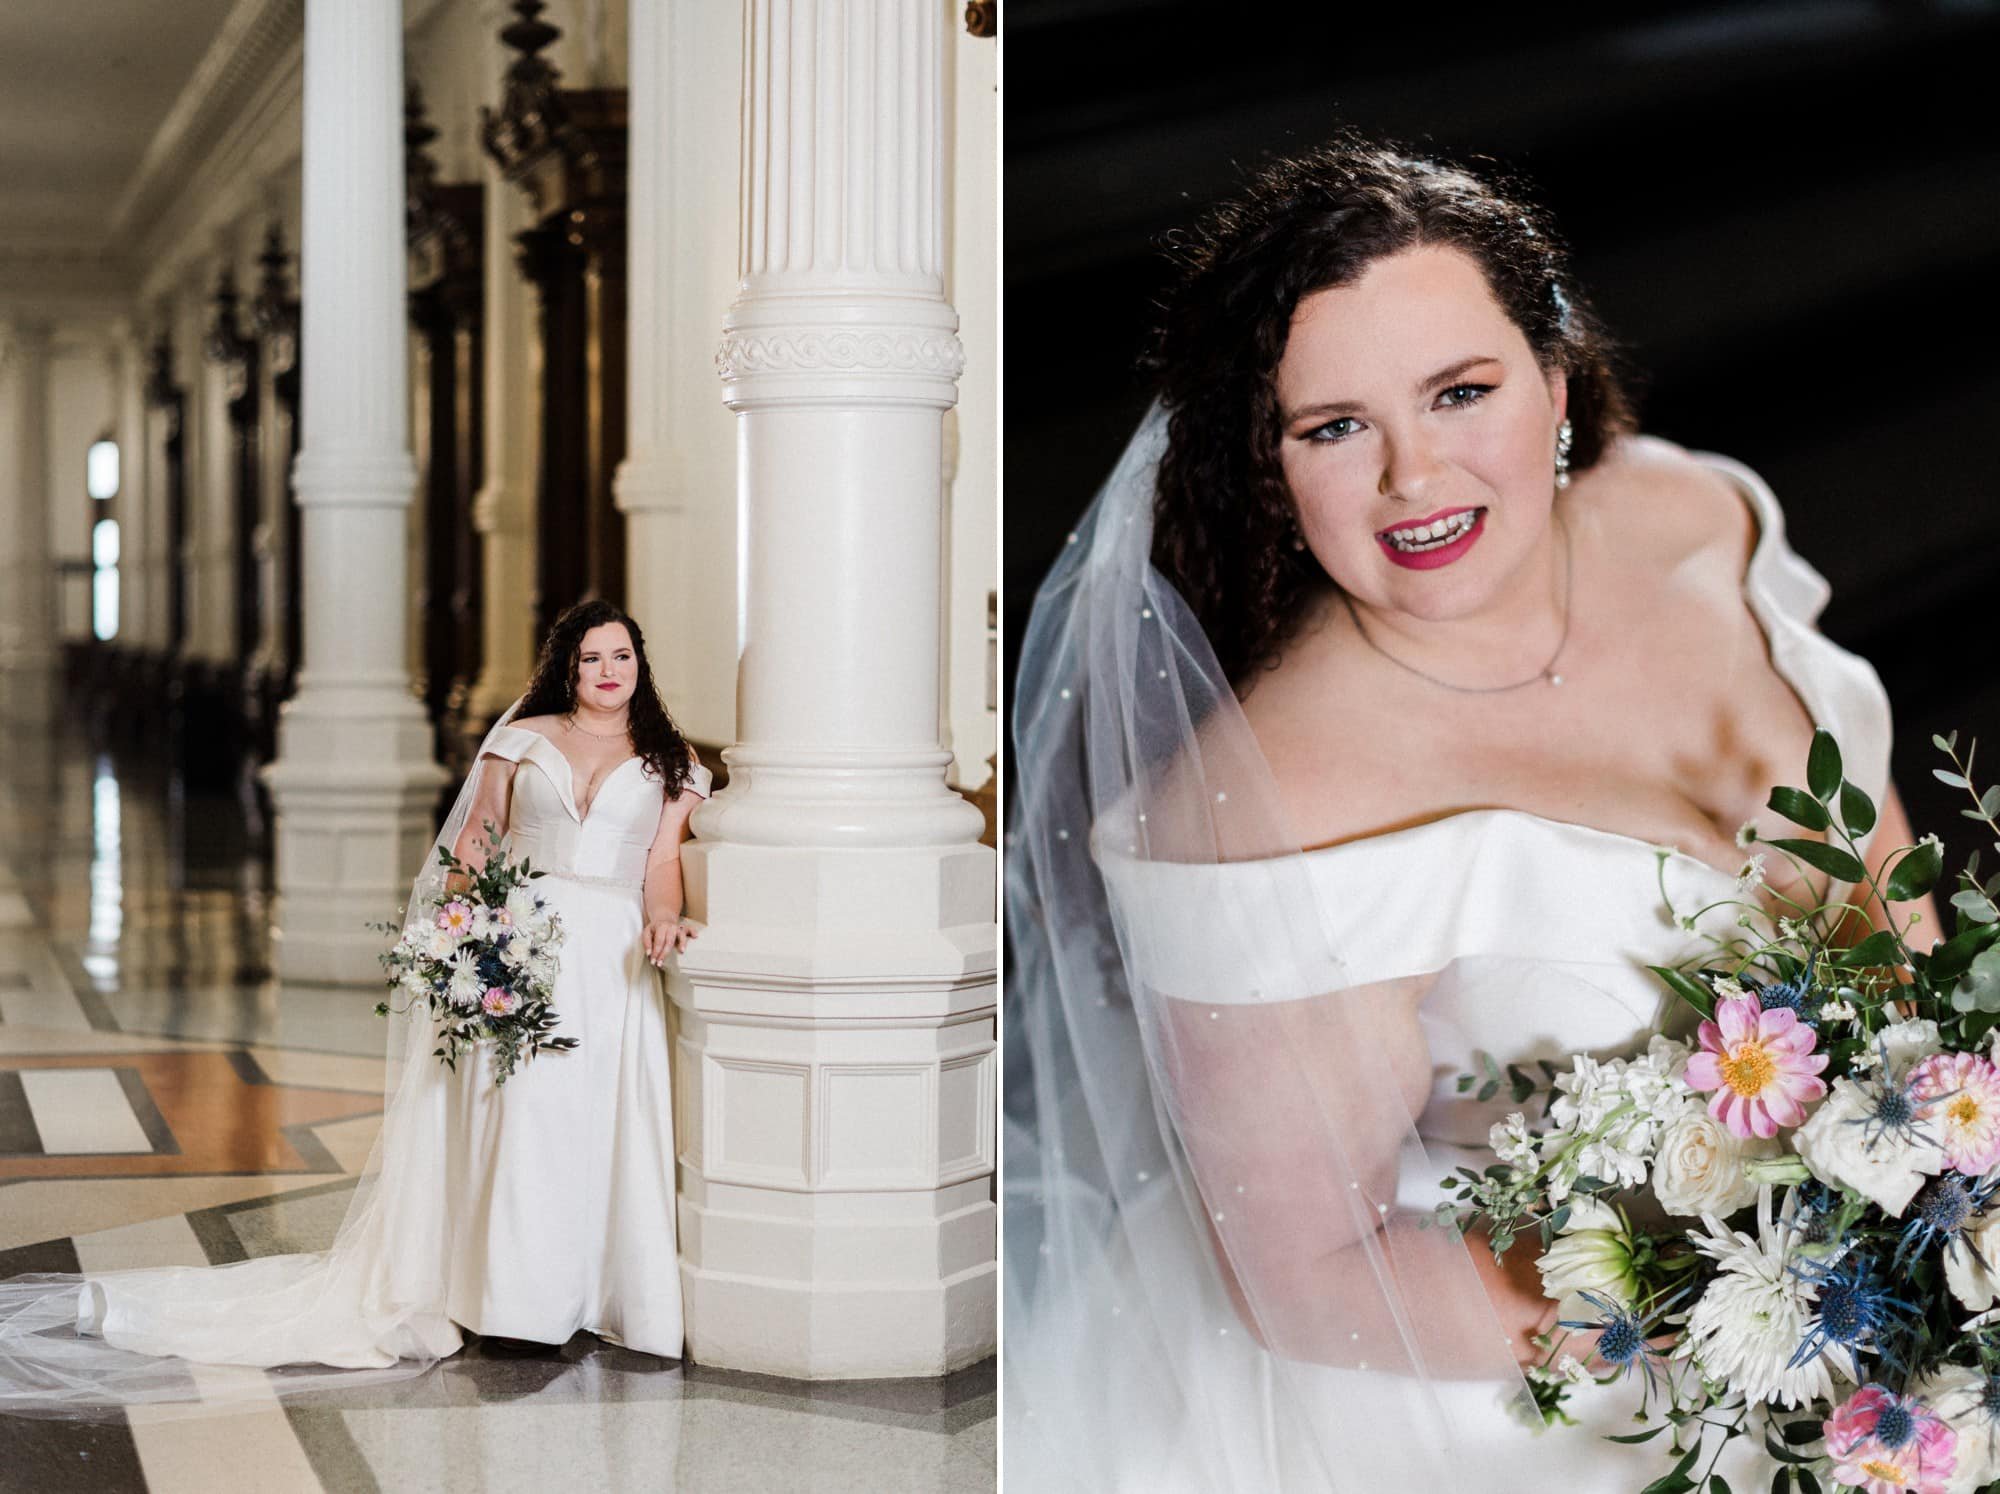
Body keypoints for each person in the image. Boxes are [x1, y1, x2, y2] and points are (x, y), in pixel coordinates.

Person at [1003, 135, 1931, 1490]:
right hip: (1561, 1392)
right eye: (1335, 427)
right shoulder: (1267, 810)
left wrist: (1948, 1128)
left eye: (1460, 392)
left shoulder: (1694, 516)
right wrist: (1773, 1314)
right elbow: (1308, 1279)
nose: (1413, 478)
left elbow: (1881, 876)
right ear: (1270, 465)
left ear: (1553, 385)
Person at [0, 600, 708, 1416]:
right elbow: (476, 838)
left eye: (621, 656)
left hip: (612, 955)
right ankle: (516, 1304)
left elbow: (661, 861)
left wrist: (663, 914)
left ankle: (595, 1293)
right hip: (523, 944)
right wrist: (462, 933)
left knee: (599, 1121)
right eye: (591, 658)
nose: (609, 671)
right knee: (518, 1118)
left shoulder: (671, 761)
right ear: (567, 667)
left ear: (639, 664)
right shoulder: (521, 739)